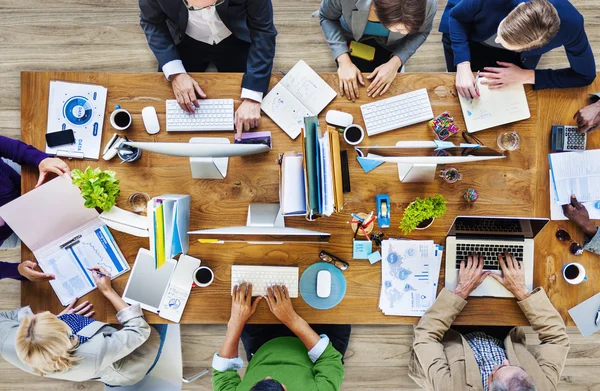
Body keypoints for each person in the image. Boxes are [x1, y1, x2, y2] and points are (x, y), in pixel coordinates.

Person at [409, 253, 570, 390]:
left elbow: (425, 337)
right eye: (519, 367)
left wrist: (460, 292)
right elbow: (557, 339)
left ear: (490, 382)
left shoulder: (451, 387)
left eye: (500, 367)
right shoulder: (542, 387)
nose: (505, 361)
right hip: (500, 333)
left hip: (452, 335)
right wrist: (522, 291)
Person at [0, 267, 164, 386]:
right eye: (59, 321)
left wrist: (56, 321)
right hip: (128, 364)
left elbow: (6, 317)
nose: (53, 313)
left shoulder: (4, 338)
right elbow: (139, 330)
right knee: (160, 314)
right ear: (66, 336)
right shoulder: (94, 352)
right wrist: (107, 291)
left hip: (91, 353)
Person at [139, 0, 277, 139]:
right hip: (185, 40)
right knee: (167, 109)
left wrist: (253, 97)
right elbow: (152, 23)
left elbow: (263, 32)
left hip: (235, 38)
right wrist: (176, 73)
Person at [439, 0, 596, 99]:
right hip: (471, 30)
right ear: (518, 8)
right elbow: (457, 17)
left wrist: (527, 76)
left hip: (516, 59)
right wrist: (463, 64)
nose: (497, 40)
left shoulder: (572, 25)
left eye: (503, 41)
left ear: (538, 45)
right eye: (501, 34)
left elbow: (585, 76)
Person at [212, 282, 348, 390]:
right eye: (271, 379)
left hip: (264, 346)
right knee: (344, 299)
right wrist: (292, 319)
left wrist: (236, 321)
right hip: (318, 345)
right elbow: (329, 358)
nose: (268, 374)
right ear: (285, 388)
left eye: (260, 381)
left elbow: (223, 373)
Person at [319, 0, 437, 101]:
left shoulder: (429, 3)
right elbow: (326, 17)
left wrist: (396, 62)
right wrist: (343, 61)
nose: (406, 33)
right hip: (351, 37)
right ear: (375, 9)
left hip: (392, 46)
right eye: (399, 28)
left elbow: (422, 32)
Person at [0, 135, 70, 282]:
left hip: (24, 184)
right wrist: (17, 269)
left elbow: (9, 147)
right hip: (18, 225)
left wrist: (40, 159)